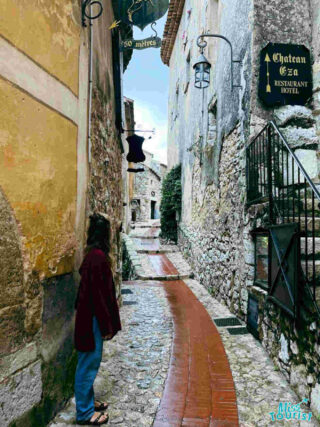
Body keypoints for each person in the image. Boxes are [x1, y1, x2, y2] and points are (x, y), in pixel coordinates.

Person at [74, 213, 121, 425]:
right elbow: (99, 297)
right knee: (87, 364)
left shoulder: (93, 256)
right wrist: (106, 326)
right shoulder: (98, 258)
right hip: (91, 320)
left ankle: (88, 401)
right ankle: (84, 413)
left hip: (88, 318)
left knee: (88, 363)